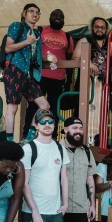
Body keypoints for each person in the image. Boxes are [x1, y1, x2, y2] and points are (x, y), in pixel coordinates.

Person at [61, 116, 107, 222]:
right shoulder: (56, 149)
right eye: (74, 128)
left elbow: (90, 180)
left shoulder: (86, 152)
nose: (78, 131)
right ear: (65, 130)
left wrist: (92, 204)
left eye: (80, 128)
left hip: (79, 205)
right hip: (57, 205)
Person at [2, 3, 51, 141]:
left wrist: (49, 59)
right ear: (24, 13)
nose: (35, 14)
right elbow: (8, 48)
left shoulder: (36, 34)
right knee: (13, 107)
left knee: (44, 105)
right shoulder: (17, 26)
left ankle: (28, 138)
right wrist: (27, 41)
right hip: (14, 69)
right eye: (31, 11)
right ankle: (10, 142)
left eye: (37, 12)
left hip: (28, 74)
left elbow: (35, 56)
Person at [23, 8, 74, 137]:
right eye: (55, 15)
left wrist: (69, 81)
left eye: (61, 16)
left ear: (64, 20)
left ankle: (52, 136)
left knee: (53, 109)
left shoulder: (68, 37)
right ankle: (27, 134)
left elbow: (70, 59)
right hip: (39, 76)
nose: (58, 17)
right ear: (49, 17)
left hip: (59, 78)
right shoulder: (40, 30)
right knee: (34, 106)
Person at [71, 17, 112, 146]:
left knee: (102, 113)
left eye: (102, 27)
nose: (100, 29)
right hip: (85, 83)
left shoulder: (111, 45)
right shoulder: (84, 41)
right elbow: (75, 58)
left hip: (103, 85)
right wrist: (88, 63)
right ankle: (78, 140)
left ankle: (98, 142)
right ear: (92, 28)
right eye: (97, 27)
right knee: (81, 112)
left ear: (107, 29)